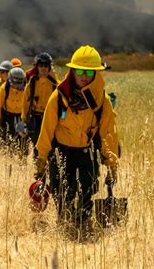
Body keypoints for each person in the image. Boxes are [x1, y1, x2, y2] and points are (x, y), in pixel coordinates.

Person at [34, 45, 119, 240]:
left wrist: (112, 164)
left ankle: (81, 229)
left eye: (89, 71)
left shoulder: (102, 100)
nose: (84, 76)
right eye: (79, 70)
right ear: (72, 71)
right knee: (61, 191)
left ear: (96, 73)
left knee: (86, 191)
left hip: (86, 153)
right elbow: (46, 129)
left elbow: (109, 133)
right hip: (60, 152)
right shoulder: (59, 96)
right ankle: (64, 225)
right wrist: (41, 159)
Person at [21, 53, 58, 154]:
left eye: (46, 65)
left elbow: (63, 106)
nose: (43, 68)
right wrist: (24, 120)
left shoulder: (55, 84)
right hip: (35, 118)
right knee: (36, 145)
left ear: (49, 67)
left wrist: (62, 117)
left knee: (51, 145)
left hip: (50, 118)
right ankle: (38, 167)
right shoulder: (32, 83)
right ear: (37, 67)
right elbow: (25, 103)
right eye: (41, 65)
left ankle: (48, 167)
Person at [0, 67, 26, 149]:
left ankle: (21, 157)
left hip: (20, 117)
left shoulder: (26, 88)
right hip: (8, 116)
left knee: (21, 138)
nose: (17, 86)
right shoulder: (4, 89)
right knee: (7, 138)